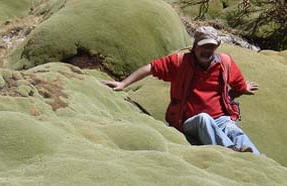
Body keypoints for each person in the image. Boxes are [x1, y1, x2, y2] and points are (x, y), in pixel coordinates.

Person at [102, 26, 260, 154]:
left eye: (211, 47)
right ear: (195, 46)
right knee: (204, 119)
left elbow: (237, 81)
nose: (206, 51)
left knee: (233, 130)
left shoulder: (224, 62)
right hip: (189, 122)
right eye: (203, 46)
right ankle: (230, 152)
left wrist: (243, 87)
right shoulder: (180, 62)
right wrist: (123, 84)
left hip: (220, 117)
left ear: (216, 46)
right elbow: (151, 68)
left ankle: (256, 159)